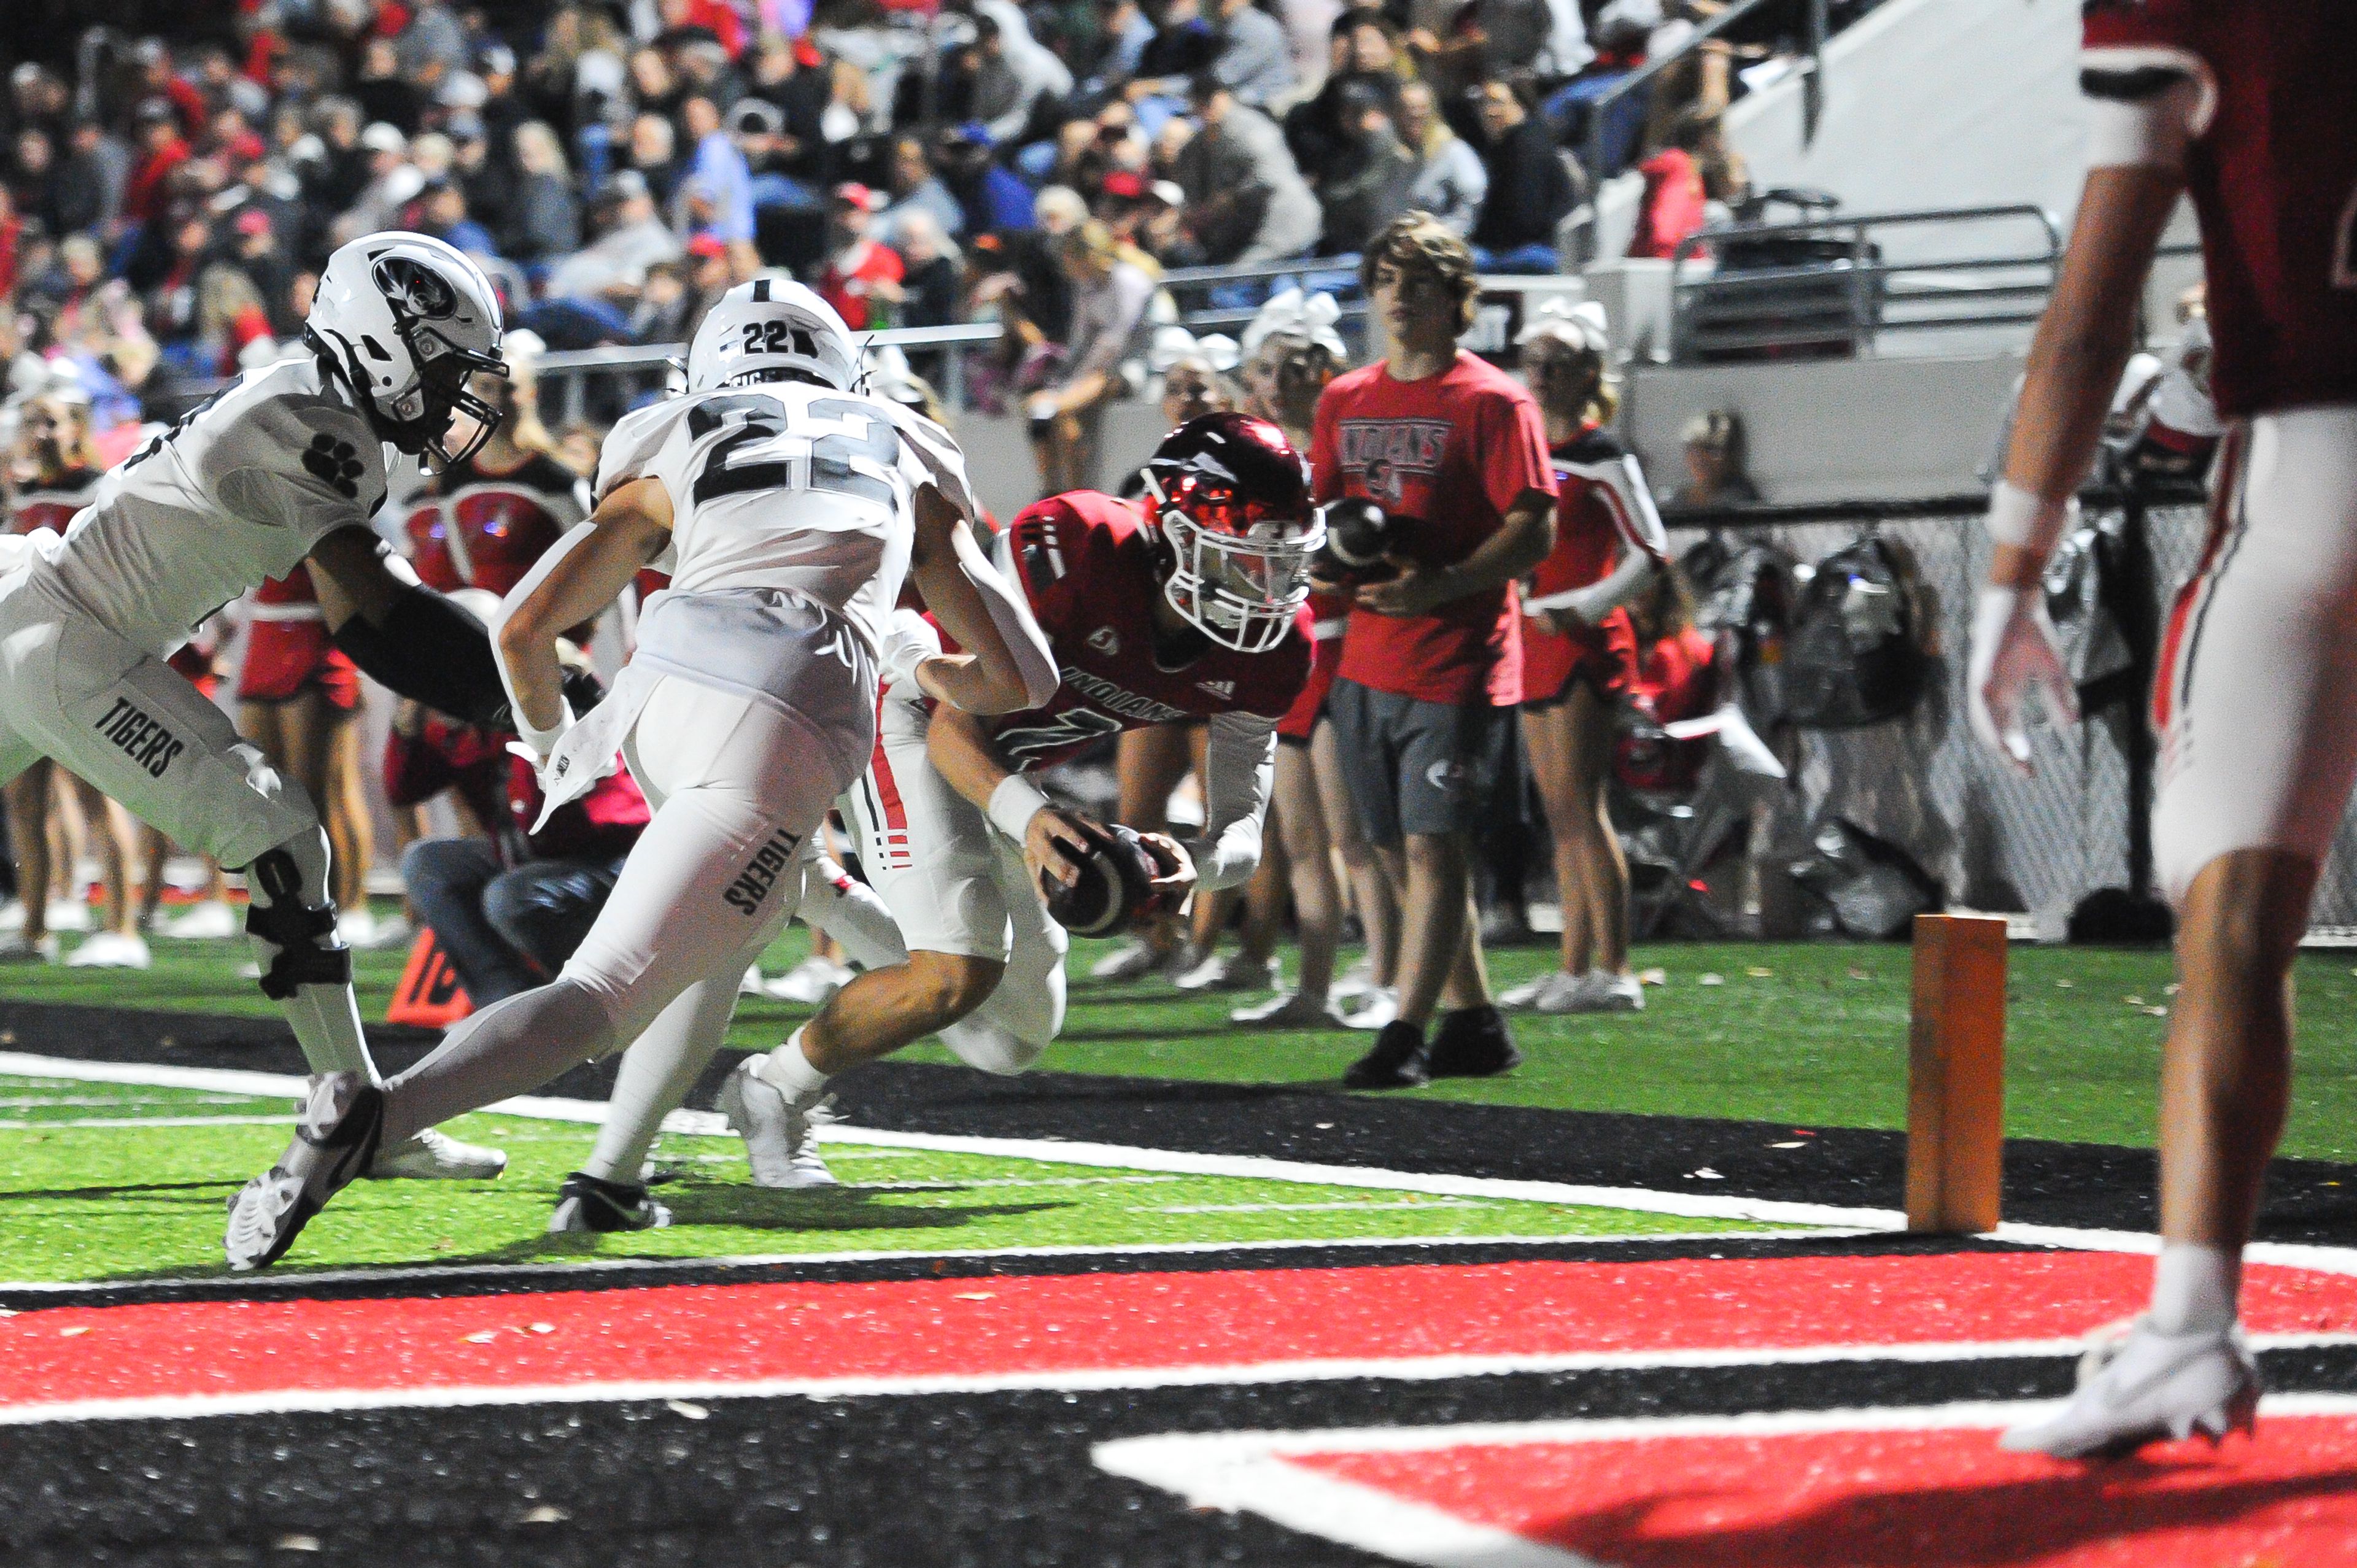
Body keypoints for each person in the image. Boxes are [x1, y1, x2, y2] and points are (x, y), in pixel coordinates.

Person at [223, 279, 1058, 1261]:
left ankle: (611, 1181)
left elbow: (526, 625)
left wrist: (548, 745)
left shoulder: (676, 429)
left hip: (659, 696)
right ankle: (376, 1118)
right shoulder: (905, 439)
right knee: (599, 1000)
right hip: (788, 708)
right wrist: (914, 658)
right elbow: (1021, 676)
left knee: (720, 931)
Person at [1972, 0, 2357, 1458]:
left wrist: (2012, 563)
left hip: (2313, 477)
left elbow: (2090, 310)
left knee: (2236, 916)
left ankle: (2190, 1329)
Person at [0, 232, 521, 1180]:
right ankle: (353, 1110)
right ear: (382, 342)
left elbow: (367, 622)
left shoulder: (306, 397)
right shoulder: (309, 421)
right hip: (70, 639)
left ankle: (357, 1107)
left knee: (285, 836)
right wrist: (523, 695)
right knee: (282, 837)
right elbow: (380, 615)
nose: (457, 395)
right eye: (445, 367)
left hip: (44, 616)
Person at [722, 413, 1317, 1186]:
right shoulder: (1081, 546)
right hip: (908, 714)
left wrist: (1187, 863)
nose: (1266, 587)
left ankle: (821, 891)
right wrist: (1032, 818)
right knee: (957, 970)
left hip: (1007, 768)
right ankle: (772, 1089)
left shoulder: (1280, 648)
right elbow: (951, 730)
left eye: (1282, 558)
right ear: (1173, 527)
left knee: (1010, 1039)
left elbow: (1242, 834)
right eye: (1245, 556)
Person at [1311, 212, 1558, 1089]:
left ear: (1459, 299)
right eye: (1386, 281)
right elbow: (1322, 518)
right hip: (1367, 654)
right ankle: (1476, 1019)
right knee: (1389, 845)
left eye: (1420, 283)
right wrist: (1321, 570)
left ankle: (1404, 1030)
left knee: (1432, 845)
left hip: (1457, 656)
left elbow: (1534, 530)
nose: (1400, 298)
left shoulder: (1492, 399)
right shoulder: (1345, 397)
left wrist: (1441, 584)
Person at [1233, 290, 1395, 1029]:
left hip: (1342, 649)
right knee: (1300, 837)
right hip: (1284, 650)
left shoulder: (1347, 446)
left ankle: (1388, 981)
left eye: (1292, 363)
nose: (1278, 378)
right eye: (1267, 366)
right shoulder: (1259, 456)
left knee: (1355, 836)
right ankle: (1315, 986)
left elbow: (1370, 542)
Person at [1503, 299, 1663, 1014]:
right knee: (1559, 811)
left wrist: (1586, 607)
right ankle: (1572, 965)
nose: (1540, 375)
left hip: (1580, 641)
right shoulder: (1525, 449)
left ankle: (1617, 967)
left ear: (1588, 373)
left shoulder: (1602, 453)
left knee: (1582, 807)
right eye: (1532, 361)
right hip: (1531, 639)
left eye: (1556, 363)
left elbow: (1650, 550)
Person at [1, 389, 145, 967]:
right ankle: (35, 926)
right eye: (33, 421)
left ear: (78, 428)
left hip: (83, 658)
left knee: (96, 795)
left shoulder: (97, 490)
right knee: (24, 798)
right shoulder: (25, 497)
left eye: (53, 422)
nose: (41, 432)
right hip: (25, 661)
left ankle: (124, 930)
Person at [1663, 406, 1759, 509]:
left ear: (1731, 456)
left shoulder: (1741, 500)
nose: (1701, 459)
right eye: (1694, 451)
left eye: (1711, 450)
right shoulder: (1680, 500)